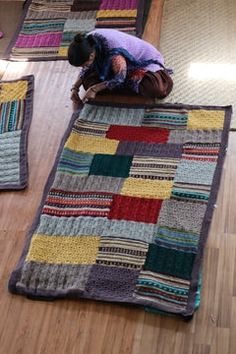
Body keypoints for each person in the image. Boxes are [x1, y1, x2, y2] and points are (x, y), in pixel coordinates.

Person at [68, 29, 173, 104]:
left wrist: (95, 89)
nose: (83, 68)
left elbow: (119, 78)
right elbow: (85, 69)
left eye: (85, 64)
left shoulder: (113, 52)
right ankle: (125, 83)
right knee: (87, 83)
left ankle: (131, 81)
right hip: (116, 66)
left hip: (141, 63)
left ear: (91, 55)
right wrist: (75, 88)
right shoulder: (87, 43)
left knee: (155, 89)